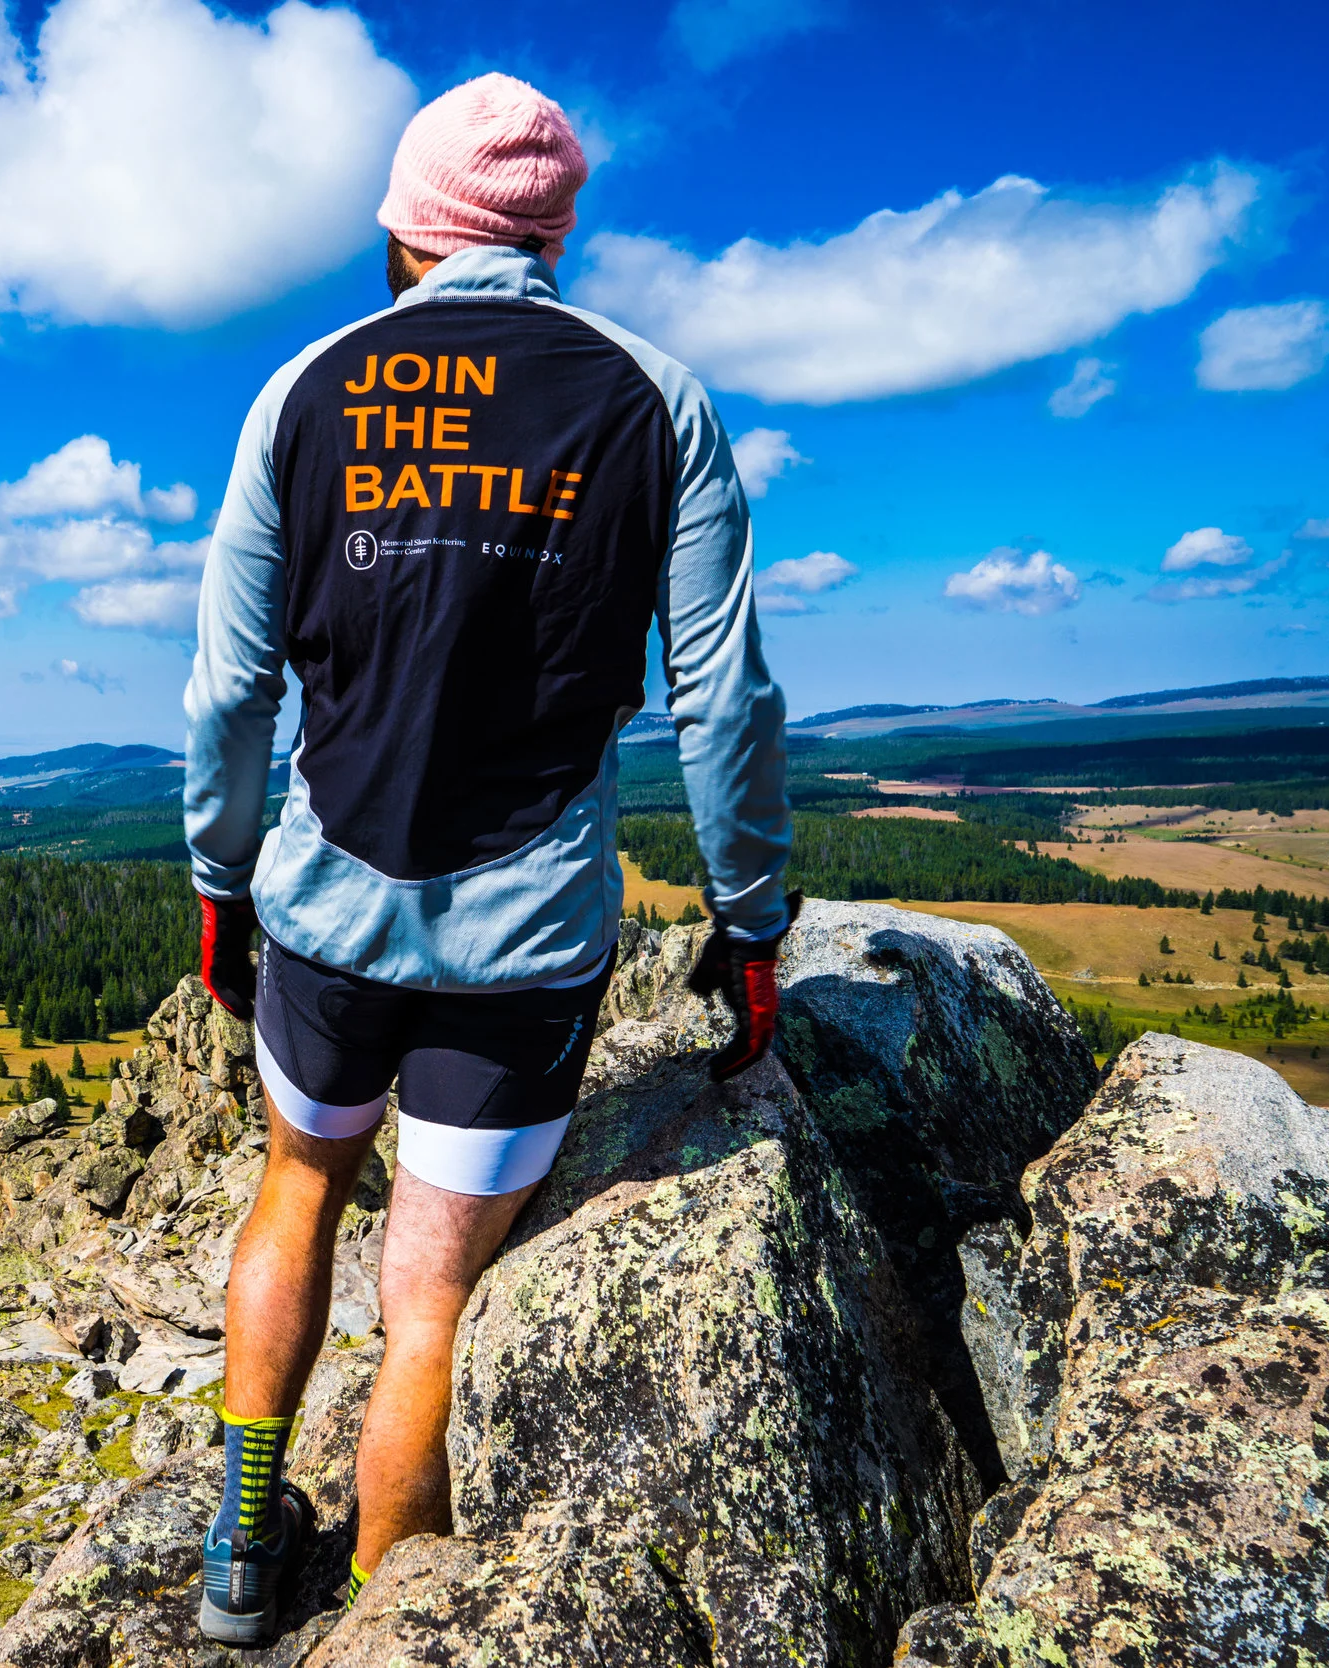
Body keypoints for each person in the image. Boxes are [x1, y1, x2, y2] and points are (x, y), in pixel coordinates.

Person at [181, 73, 793, 1644]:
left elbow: (233, 688)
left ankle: (245, 1550)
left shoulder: (305, 389)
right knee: (431, 1301)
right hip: (522, 946)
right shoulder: (655, 400)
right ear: (554, 230)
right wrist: (749, 914)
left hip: (320, 909)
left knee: (299, 1187)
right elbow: (721, 694)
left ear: (405, 228)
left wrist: (217, 877)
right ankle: (389, 1619)